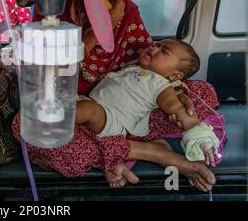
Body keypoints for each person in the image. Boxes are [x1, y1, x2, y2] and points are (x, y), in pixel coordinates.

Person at [12, 0, 227, 192]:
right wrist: (100, 30)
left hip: (132, 106)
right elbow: (50, 74)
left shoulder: (127, 9)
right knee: (28, 126)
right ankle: (152, 152)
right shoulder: (51, 7)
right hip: (80, 108)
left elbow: (149, 63)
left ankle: (119, 152)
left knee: (202, 94)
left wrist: (175, 89)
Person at [76, 39, 219, 164]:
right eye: (157, 44)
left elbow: (179, 110)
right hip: (92, 103)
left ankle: (56, 121)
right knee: (79, 105)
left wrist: (202, 139)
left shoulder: (161, 86)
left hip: (111, 120)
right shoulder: (135, 67)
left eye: (164, 51)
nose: (154, 47)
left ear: (174, 75)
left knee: (88, 110)